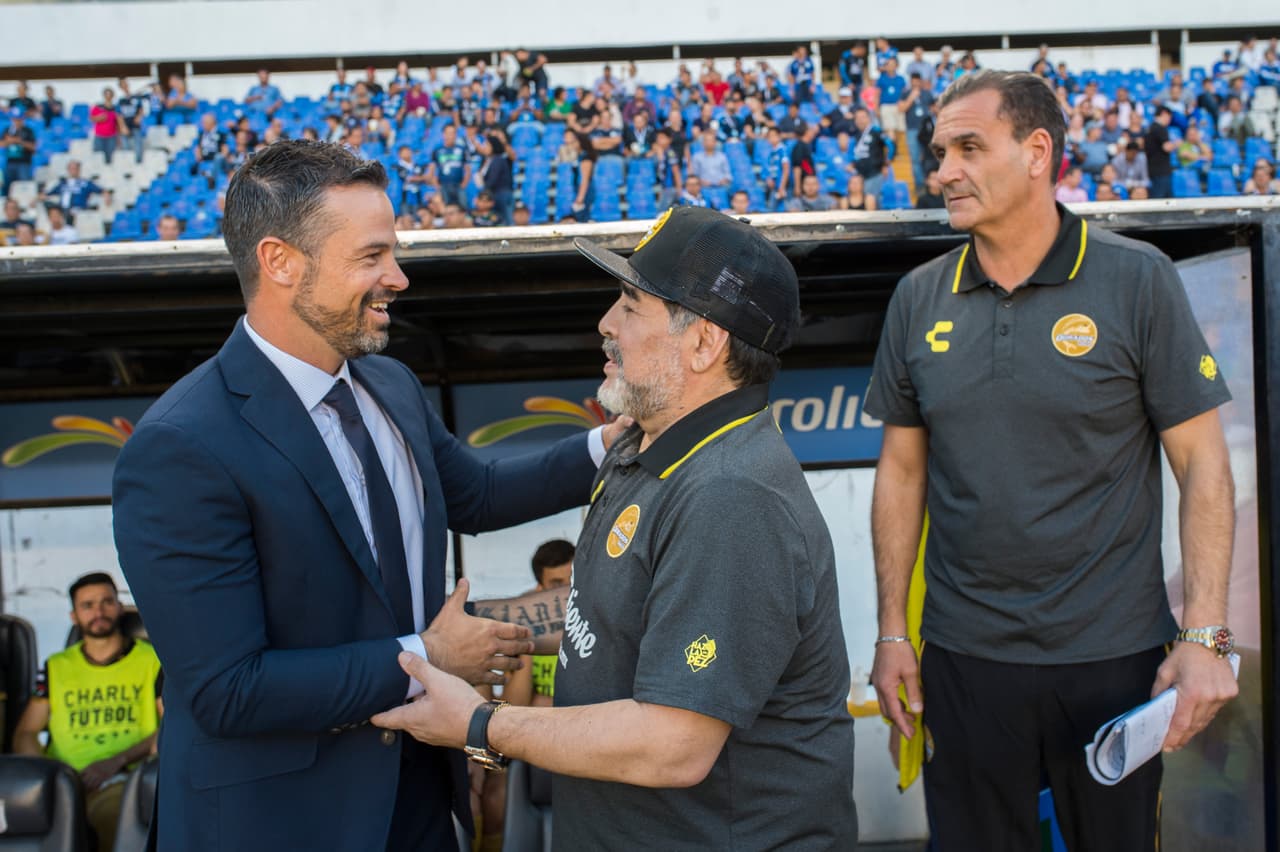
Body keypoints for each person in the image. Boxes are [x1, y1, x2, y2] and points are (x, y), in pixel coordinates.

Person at [112, 140, 621, 851]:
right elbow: (228, 689)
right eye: (371, 256)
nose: (399, 278)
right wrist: (427, 656)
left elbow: (474, 493)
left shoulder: (392, 386)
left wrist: (615, 442)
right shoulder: (180, 445)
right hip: (282, 825)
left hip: (418, 801)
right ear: (280, 262)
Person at [375, 205, 858, 850]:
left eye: (631, 305)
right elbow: (603, 615)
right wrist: (467, 631)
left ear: (704, 343)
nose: (606, 324)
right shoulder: (641, 449)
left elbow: (674, 746)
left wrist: (481, 723)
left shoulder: (730, 494)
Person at [868, 69, 1238, 852]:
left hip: (1115, 661)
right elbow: (900, 474)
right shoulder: (916, 299)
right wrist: (893, 634)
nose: (942, 171)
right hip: (965, 661)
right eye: (939, 152)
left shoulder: (1136, 278)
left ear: (1038, 152)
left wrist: (1204, 638)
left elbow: (1203, 462)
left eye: (969, 147)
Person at [13, 573, 163, 851]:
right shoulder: (56, 666)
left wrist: (115, 763)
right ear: (74, 616)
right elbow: (26, 733)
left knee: (115, 817)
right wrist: (57, 778)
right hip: (65, 782)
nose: (99, 611)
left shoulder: (151, 659)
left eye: (107, 602)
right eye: (88, 605)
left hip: (125, 778)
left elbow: (170, 727)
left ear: (119, 606)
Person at [504, 539, 575, 709]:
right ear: (540, 590)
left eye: (573, 579)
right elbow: (512, 706)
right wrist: (531, 637)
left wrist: (538, 702)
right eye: (557, 584)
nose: (567, 590)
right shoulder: (520, 631)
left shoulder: (599, 627)